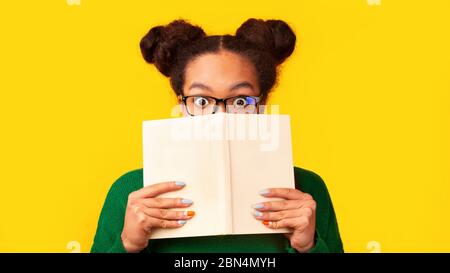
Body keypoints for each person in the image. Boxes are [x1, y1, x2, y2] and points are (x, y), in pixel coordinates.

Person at [91, 18, 344, 253]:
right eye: (201, 100)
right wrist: (128, 244)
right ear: (181, 105)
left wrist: (308, 246)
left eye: (240, 100)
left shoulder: (306, 191)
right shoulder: (131, 192)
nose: (220, 115)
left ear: (262, 104)